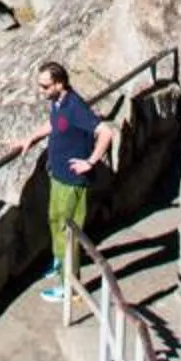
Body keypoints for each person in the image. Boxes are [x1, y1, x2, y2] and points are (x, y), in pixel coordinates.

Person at [17, 60, 113, 299]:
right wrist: (30, 137)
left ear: (59, 84)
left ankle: (68, 286)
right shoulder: (58, 103)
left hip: (72, 182)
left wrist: (90, 161)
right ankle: (60, 263)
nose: (42, 91)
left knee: (67, 230)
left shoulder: (75, 107)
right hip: (58, 176)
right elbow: (54, 124)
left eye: (45, 86)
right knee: (55, 221)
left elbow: (106, 132)